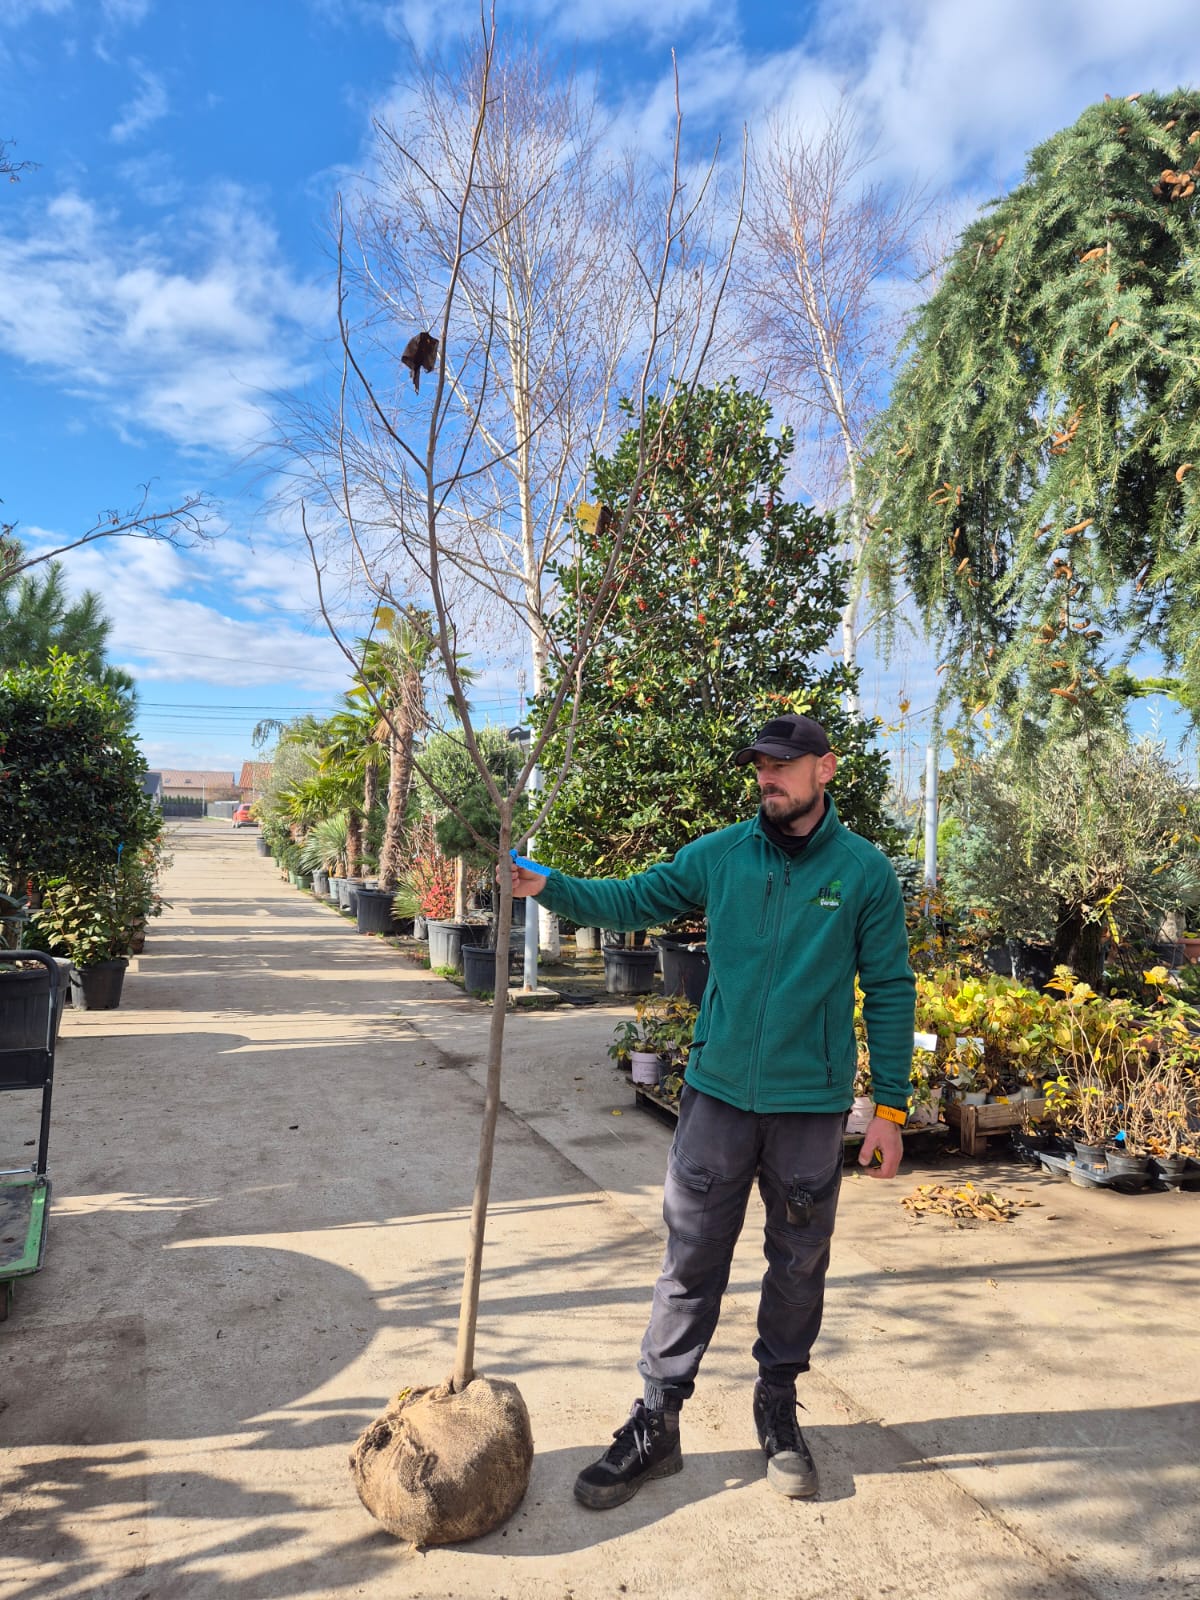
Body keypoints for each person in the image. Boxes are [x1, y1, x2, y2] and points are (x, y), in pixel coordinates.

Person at [508, 712, 916, 1508]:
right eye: (760, 764)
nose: (769, 776)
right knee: (690, 1261)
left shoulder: (865, 873)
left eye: (785, 764)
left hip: (809, 1107)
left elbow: (891, 989)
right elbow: (634, 899)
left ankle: (776, 1407)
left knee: (798, 1265)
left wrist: (892, 1109)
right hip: (718, 1097)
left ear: (825, 769)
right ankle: (657, 1423)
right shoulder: (721, 854)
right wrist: (547, 885)